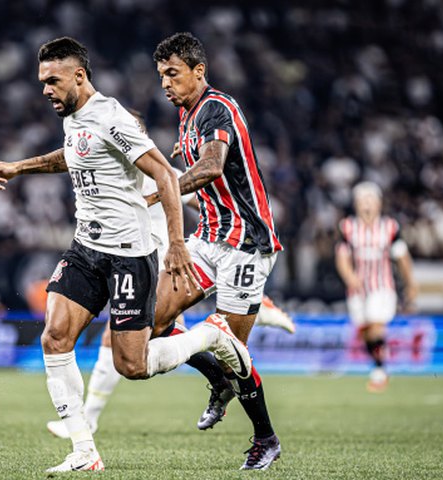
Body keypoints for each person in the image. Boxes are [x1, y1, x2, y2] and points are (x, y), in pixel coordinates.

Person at [0, 37, 253, 473]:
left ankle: (209, 337)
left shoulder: (111, 116)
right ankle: (84, 452)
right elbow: (70, 155)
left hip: (130, 256)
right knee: (55, 336)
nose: (46, 90)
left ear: (79, 76)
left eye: (53, 80)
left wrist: (177, 244)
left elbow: (163, 173)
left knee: (133, 365)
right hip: (87, 248)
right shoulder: (73, 116)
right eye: (42, 82)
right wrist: (17, 166)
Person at [46, 110, 295, 441]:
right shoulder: (108, 175)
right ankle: (244, 327)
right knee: (153, 336)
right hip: (132, 267)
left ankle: (88, 418)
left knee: (120, 338)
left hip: (161, 265)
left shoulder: (160, 174)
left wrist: (222, 244)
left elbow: (203, 201)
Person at [141, 32, 285, 470]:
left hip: (246, 245)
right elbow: (168, 167)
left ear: (198, 71)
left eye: (173, 73)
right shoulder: (185, 118)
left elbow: (210, 166)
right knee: (154, 321)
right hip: (208, 239)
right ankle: (217, 381)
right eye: (161, 75)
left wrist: (155, 195)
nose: (165, 83)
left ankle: (266, 438)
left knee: (234, 351)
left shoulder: (216, 108)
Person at [335, 181, 417, 392]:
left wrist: (411, 284)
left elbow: (402, 257)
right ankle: (380, 364)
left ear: (379, 203)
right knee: (365, 331)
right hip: (357, 289)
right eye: (362, 200)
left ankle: (380, 370)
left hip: (382, 287)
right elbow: (342, 257)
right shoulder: (347, 227)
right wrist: (350, 277)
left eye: (370, 199)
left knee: (375, 325)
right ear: (355, 204)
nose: (367, 204)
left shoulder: (390, 227)